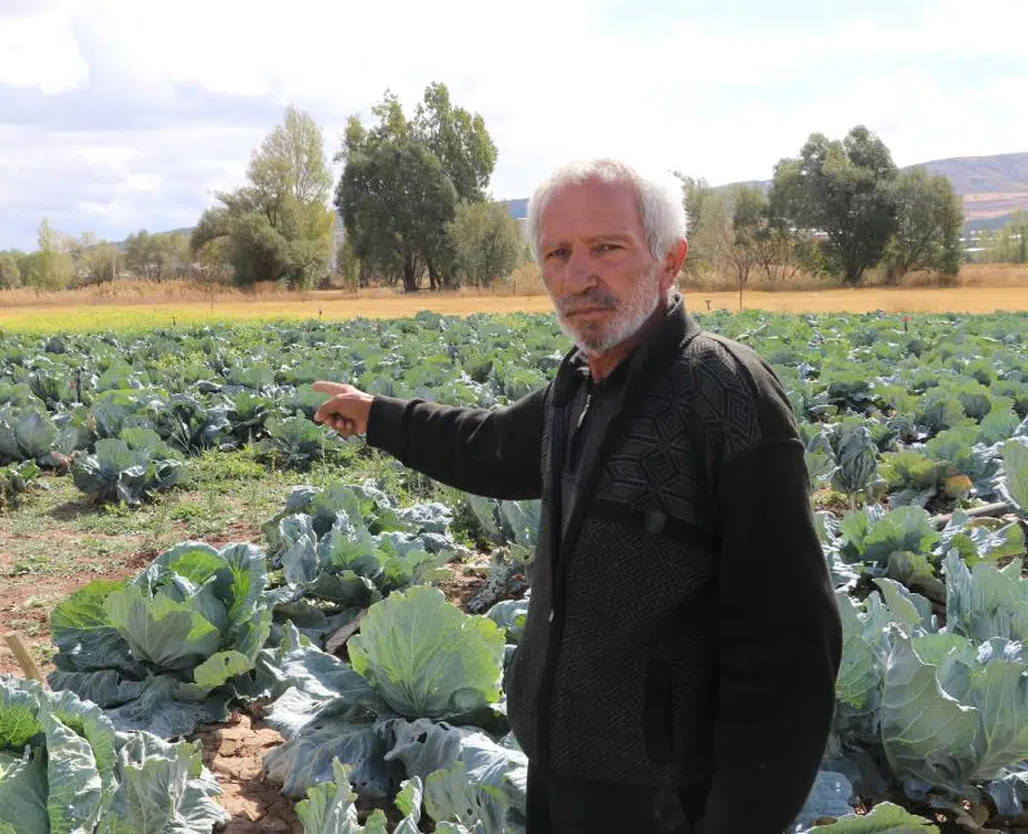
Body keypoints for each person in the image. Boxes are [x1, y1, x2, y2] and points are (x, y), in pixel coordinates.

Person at [311, 159, 843, 834]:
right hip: (563, 772)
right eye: (557, 253)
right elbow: (494, 446)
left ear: (670, 260)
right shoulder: (581, 383)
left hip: (667, 799)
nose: (578, 274)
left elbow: (792, 648)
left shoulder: (727, 398)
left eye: (607, 247)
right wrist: (379, 416)